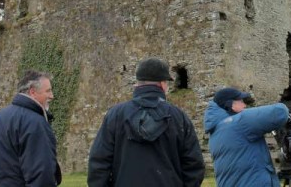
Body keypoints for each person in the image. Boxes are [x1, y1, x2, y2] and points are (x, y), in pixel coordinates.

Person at [87, 57, 205, 187]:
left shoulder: (115, 115)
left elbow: (99, 164)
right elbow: (193, 165)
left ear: (137, 84)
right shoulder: (178, 117)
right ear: (162, 84)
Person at [0, 70, 61, 187]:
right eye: (48, 91)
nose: (51, 96)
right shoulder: (35, 123)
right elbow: (42, 175)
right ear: (32, 92)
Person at [203, 87, 289, 187]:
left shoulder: (217, 129)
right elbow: (280, 112)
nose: (244, 105)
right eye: (241, 101)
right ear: (231, 104)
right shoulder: (238, 122)